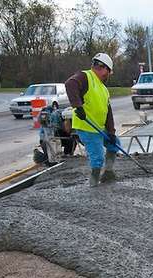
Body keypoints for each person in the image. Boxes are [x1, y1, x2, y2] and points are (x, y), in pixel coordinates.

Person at [65, 53, 118, 187]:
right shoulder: (85, 76)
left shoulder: (103, 89)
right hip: (87, 127)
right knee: (98, 157)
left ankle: (108, 173)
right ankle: (93, 183)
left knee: (114, 143)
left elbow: (108, 112)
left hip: (99, 128)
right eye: (108, 72)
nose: (108, 76)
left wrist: (111, 132)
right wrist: (77, 106)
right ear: (103, 68)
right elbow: (70, 84)